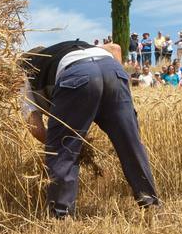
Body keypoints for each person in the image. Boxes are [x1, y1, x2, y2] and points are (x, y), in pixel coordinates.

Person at [22, 41, 160, 216]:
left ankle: (61, 216)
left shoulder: (25, 74)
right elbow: (116, 48)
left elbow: (36, 128)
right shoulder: (67, 49)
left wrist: (76, 145)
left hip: (77, 75)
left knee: (62, 148)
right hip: (113, 70)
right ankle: (151, 206)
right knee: (130, 143)